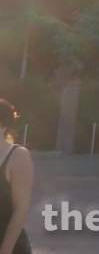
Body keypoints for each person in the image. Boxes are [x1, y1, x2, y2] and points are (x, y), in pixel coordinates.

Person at [0, 99, 32, 254]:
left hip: (9, 246)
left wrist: (5, 251)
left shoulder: (18, 156)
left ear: (3, 126)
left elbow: (21, 209)